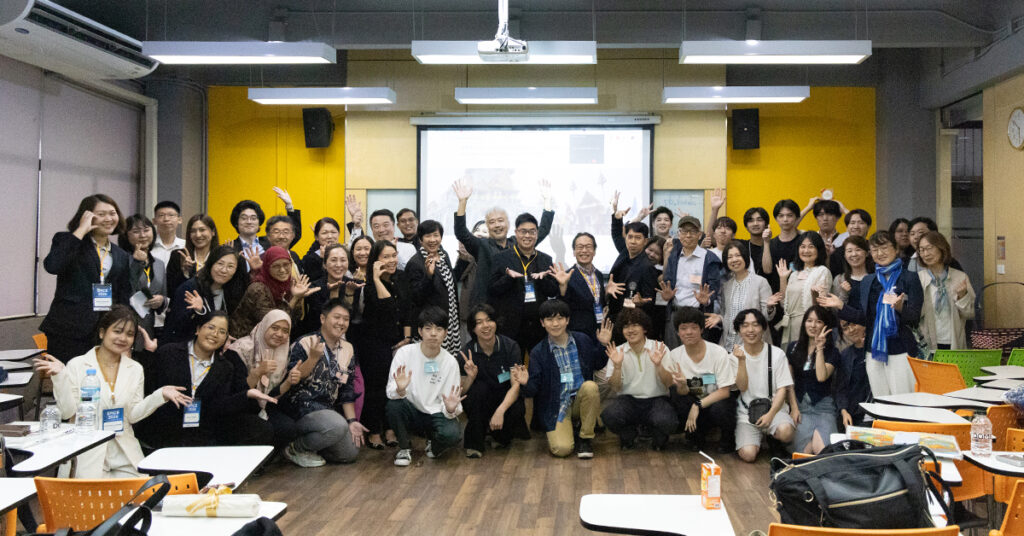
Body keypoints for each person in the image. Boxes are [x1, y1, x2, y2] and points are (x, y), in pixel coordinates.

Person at [33, 306, 192, 478]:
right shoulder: (77, 365)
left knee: (145, 490)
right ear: (102, 333)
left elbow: (133, 415)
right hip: (87, 450)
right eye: (117, 331)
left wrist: (159, 396)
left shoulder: (135, 369)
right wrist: (60, 377)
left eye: (129, 334)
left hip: (124, 451)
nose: (123, 338)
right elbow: (67, 412)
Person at [135, 312, 276, 448]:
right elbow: (149, 387)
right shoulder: (169, 352)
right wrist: (148, 355)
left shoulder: (225, 367)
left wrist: (246, 394)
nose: (215, 334)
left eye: (222, 332)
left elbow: (219, 406)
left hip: (199, 432)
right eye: (211, 327)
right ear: (198, 329)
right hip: (164, 428)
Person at [818, 231, 924, 396]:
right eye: (875, 250)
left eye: (884, 248)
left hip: (901, 348)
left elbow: (915, 318)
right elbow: (864, 318)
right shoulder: (868, 281)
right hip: (874, 350)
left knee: (903, 399)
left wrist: (899, 308)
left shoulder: (909, 278)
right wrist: (840, 306)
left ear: (896, 249)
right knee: (880, 400)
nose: (880, 253)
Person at [41, 194, 132, 362]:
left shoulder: (121, 255)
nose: (109, 219)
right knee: (67, 376)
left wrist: (123, 332)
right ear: (86, 216)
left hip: (104, 332)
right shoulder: (68, 240)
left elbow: (123, 295)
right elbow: (52, 266)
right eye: (101, 214)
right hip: (68, 329)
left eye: (112, 213)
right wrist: (81, 230)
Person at [519, 299, 613, 458]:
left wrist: (603, 345)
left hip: (581, 399)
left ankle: (585, 438)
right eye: (550, 319)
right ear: (542, 323)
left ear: (567, 320)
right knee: (561, 450)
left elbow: (597, 364)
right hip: (557, 406)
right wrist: (525, 383)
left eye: (560, 318)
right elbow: (533, 390)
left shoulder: (582, 340)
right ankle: (573, 427)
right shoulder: (538, 352)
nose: (555, 324)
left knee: (590, 386)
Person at [281, 299, 367, 467]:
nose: (341, 323)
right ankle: (294, 448)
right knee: (337, 425)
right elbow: (294, 380)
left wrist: (352, 421)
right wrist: (313, 358)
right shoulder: (305, 342)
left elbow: (347, 389)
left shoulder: (348, 348)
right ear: (322, 319)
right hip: (300, 409)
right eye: (337, 317)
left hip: (328, 410)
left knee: (350, 452)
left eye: (346, 319)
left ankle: (316, 445)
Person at [451, 178, 555, 307]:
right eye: (492, 222)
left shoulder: (518, 243)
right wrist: (462, 202)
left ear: (508, 224)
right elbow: (461, 232)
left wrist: (547, 201)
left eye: (500, 221)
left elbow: (542, 230)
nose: (497, 225)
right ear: (488, 227)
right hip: (486, 307)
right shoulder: (482, 245)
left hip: (512, 307)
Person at [386, 306, 465, 466]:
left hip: (436, 413)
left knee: (453, 434)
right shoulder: (405, 353)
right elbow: (390, 391)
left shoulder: (450, 362)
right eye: (428, 328)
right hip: (411, 411)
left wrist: (451, 409)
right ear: (420, 331)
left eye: (439, 329)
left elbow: (452, 402)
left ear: (446, 333)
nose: (433, 333)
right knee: (393, 406)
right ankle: (404, 448)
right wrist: (400, 389)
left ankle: (434, 446)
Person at [360, 240, 414, 449]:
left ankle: (391, 429)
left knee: (396, 385)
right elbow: (388, 306)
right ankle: (374, 431)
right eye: (386, 257)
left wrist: (407, 339)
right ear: (375, 261)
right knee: (376, 388)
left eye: (394, 255)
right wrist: (375, 278)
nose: (392, 260)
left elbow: (407, 310)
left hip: (399, 341)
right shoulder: (368, 286)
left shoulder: (401, 278)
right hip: (375, 343)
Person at [663, 307, 738, 453]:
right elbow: (681, 392)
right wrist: (683, 385)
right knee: (678, 396)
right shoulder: (674, 355)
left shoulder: (718, 352)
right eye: (683, 328)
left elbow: (724, 391)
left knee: (722, 407)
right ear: (677, 332)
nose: (689, 332)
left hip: (715, 400)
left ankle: (727, 438)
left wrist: (697, 405)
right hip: (692, 398)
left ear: (701, 329)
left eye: (694, 327)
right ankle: (695, 436)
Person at [599, 309, 676, 451]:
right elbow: (616, 387)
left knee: (668, 421)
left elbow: (669, 383)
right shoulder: (617, 351)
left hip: (656, 399)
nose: (630, 330)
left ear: (644, 328)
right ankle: (630, 432)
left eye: (635, 325)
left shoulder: (659, 348)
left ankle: (655, 432)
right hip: (629, 400)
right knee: (609, 416)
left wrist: (659, 365)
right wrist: (617, 366)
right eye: (626, 326)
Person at [458, 304, 529, 458]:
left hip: (504, 398)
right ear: (473, 329)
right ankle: (474, 443)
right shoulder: (466, 353)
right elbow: (461, 393)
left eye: (489, 320)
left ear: (496, 323)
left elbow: (515, 386)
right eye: (479, 322)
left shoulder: (510, 346)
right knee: (479, 391)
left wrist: (500, 411)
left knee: (517, 407)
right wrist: (470, 377)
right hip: (480, 401)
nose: (485, 325)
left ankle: (498, 436)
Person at [225, 309, 300, 449]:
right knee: (263, 429)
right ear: (264, 326)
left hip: (262, 407)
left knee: (288, 428)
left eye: (285, 331)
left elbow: (272, 396)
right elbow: (236, 391)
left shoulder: (283, 352)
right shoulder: (240, 350)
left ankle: (268, 459)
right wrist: (257, 373)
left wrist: (289, 382)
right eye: (275, 328)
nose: (280, 334)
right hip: (237, 408)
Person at [489, 213, 559, 354]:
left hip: (538, 326)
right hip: (510, 326)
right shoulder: (501, 258)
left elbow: (553, 291)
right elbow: (492, 290)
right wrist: (509, 278)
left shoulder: (545, 259)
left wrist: (543, 279)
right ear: (516, 233)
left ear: (537, 234)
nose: (527, 236)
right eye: (523, 231)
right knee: (513, 364)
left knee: (538, 363)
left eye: (532, 232)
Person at [732, 309, 795, 463]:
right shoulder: (734, 356)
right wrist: (741, 361)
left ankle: (774, 437)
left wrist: (771, 414)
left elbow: (782, 389)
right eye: (745, 325)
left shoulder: (777, 354)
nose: (750, 330)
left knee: (786, 432)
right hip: (747, 413)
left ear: (763, 328)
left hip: (775, 409)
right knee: (748, 455)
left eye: (755, 325)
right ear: (739, 331)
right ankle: (758, 438)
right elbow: (742, 387)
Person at [164, 245, 248, 343]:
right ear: (211, 264)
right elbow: (176, 326)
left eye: (230, 266)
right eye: (220, 264)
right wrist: (198, 312)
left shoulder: (232, 292)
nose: (224, 270)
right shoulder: (191, 288)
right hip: (185, 346)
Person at [230, 246, 318, 338]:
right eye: (276, 266)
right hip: (246, 339)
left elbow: (295, 318)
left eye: (286, 264)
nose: (282, 270)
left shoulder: (290, 283)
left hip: (273, 338)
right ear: (267, 267)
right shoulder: (258, 289)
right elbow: (274, 323)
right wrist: (295, 298)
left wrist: (299, 297)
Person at [785, 306, 839, 455]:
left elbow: (821, 377)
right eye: (809, 321)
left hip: (823, 407)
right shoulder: (793, 347)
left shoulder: (832, 352)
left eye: (818, 321)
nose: (813, 325)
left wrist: (819, 348)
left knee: (823, 451)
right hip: (801, 407)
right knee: (803, 454)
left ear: (825, 326)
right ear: (804, 323)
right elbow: (789, 382)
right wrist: (794, 408)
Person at [704, 241, 777, 350]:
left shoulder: (760, 282)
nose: (734, 260)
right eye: (729, 257)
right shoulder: (726, 286)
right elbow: (726, 315)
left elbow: (767, 317)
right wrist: (720, 318)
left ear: (745, 258)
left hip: (753, 345)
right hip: (728, 344)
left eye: (738, 255)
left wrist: (769, 307)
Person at [663, 215, 723, 347]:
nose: (688, 235)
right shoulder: (674, 256)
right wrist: (667, 296)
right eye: (684, 231)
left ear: (699, 235)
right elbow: (667, 282)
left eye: (693, 231)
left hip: (698, 315)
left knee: (697, 354)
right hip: (675, 313)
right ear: (679, 234)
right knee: (674, 354)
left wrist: (707, 300)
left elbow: (714, 288)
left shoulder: (709, 258)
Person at [405, 220, 461, 354]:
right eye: (428, 236)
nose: (432, 240)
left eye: (436, 235)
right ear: (420, 240)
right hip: (431, 326)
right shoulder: (415, 263)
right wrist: (428, 275)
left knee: (448, 360)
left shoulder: (443, 255)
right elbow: (415, 297)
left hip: (450, 321)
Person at [917, 231, 976, 352]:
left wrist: (962, 296)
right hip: (927, 343)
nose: (925, 254)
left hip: (953, 341)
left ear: (941, 248)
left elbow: (970, 314)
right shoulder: (918, 278)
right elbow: (915, 314)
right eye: (921, 250)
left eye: (929, 248)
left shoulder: (960, 277)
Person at [607, 192, 658, 324]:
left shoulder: (648, 267)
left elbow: (650, 301)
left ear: (645, 242)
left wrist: (641, 303)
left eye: (638, 238)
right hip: (614, 317)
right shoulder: (624, 253)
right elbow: (617, 235)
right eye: (630, 237)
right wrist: (616, 216)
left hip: (633, 321)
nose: (633, 241)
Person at [777, 232, 832, 347]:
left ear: (819, 249)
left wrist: (815, 296)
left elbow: (822, 308)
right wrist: (783, 279)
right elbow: (784, 303)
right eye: (802, 246)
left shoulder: (822, 271)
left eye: (811, 246)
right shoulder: (794, 274)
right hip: (790, 325)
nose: (806, 251)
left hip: (809, 326)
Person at [118, 214, 168, 338]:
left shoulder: (159, 264)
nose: (143, 235)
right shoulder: (121, 259)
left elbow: (163, 294)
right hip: (123, 323)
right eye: (136, 231)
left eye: (146, 230)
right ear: (126, 235)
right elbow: (124, 289)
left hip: (148, 326)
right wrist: (136, 263)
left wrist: (161, 301)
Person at [225, 188, 301, 268]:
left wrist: (289, 207)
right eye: (244, 218)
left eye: (253, 218)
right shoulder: (230, 248)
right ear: (236, 222)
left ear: (259, 222)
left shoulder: (271, 242)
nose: (249, 222)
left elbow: (293, 235)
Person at [552, 232, 606, 339]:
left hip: (599, 332)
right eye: (580, 247)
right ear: (574, 252)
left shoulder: (599, 275)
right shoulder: (566, 276)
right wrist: (563, 287)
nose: (584, 250)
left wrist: (607, 294)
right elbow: (561, 308)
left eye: (588, 247)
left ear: (594, 251)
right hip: (578, 334)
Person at [165, 214, 219, 299]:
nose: (198, 235)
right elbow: (170, 291)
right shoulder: (178, 255)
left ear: (213, 232)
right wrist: (185, 272)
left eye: (202, 230)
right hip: (184, 305)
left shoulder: (220, 256)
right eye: (193, 231)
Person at [833, 320, 870, 428]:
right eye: (845, 328)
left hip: (875, 411)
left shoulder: (876, 350)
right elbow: (840, 388)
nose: (851, 330)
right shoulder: (845, 355)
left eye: (854, 324)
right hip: (853, 414)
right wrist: (844, 411)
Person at [830, 235, 873, 306]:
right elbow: (834, 310)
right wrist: (844, 293)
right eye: (849, 251)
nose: (854, 254)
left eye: (858, 250)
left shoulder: (876, 278)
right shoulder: (840, 279)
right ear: (845, 256)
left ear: (867, 253)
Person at [828, 209, 872, 276]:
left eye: (861, 223)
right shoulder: (838, 253)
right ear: (847, 227)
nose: (856, 226)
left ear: (868, 226)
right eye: (852, 223)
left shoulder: (873, 249)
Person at [743, 207, 778, 289]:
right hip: (748, 292)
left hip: (771, 292)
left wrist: (766, 241)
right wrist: (715, 209)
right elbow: (715, 239)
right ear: (746, 226)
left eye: (759, 220)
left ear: (766, 224)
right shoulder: (741, 246)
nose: (755, 223)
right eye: (751, 220)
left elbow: (768, 271)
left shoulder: (775, 245)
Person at [302, 217, 342, 282]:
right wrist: (322, 260)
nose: (330, 236)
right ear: (316, 237)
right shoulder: (310, 259)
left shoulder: (344, 253)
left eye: (333, 232)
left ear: (339, 234)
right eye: (324, 233)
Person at [769, 199, 803, 271]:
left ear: (797, 217)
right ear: (776, 219)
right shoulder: (770, 244)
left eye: (790, 215)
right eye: (781, 216)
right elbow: (767, 271)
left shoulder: (804, 242)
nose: (785, 219)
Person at [151, 201, 185, 268]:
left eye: (171, 215)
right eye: (161, 215)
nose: (166, 219)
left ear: (180, 220)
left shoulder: (185, 246)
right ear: (154, 221)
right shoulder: (148, 246)